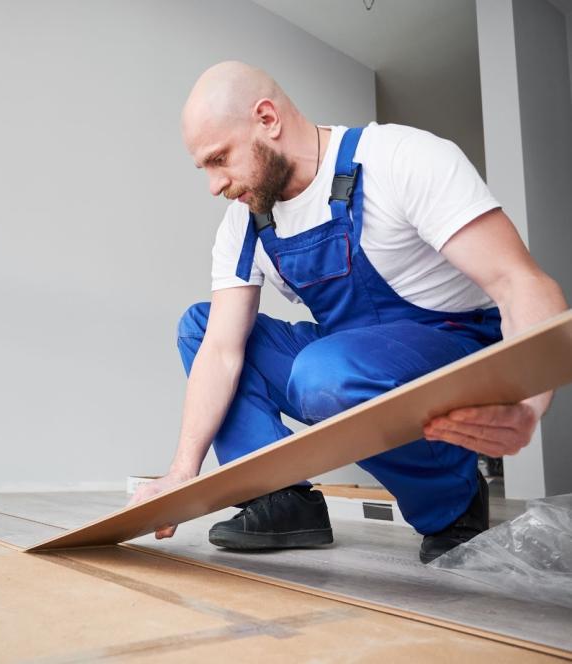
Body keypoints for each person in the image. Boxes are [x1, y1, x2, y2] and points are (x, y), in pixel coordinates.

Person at [128, 61, 568, 563]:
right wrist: (183, 474)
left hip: (451, 348)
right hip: (348, 355)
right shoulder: (245, 226)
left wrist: (528, 406)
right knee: (201, 326)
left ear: (267, 119)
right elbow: (222, 350)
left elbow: (521, 282)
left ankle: (452, 501)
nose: (214, 184)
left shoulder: (401, 158)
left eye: (220, 159)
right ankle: (281, 499)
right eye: (203, 168)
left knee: (326, 374)